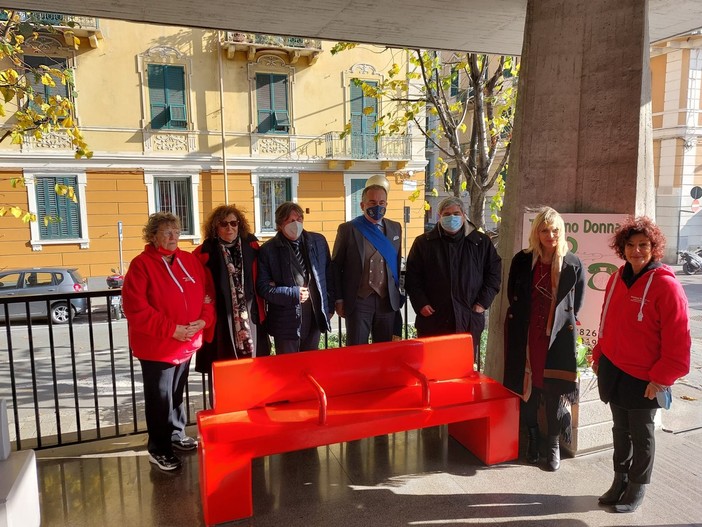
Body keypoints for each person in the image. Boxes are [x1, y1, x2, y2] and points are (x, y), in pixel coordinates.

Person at [592, 216, 690, 513]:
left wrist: (661, 378)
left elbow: (679, 340)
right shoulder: (617, 277)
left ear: (654, 248)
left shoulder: (667, 287)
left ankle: (637, 487)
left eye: (643, 245)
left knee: (642, 433)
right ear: (622, 248)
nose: (637, 250)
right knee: (620, 430)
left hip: (645, 377)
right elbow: (607, 320)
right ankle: (619, 480)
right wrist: (599, 354)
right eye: (631, 245)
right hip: (614, 368)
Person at [122, 212, 215, 472]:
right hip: (157, 347)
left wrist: (203, 322)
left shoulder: (189, 260)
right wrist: (172, 329)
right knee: (159, 399)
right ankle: (159, 449)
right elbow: (135, 308)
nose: (173, 236)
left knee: (175, 394)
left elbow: (207, 296)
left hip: (185, 343)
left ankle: (175, 434)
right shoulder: (141, 265)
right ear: (153, 237)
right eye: (166, 232)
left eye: (176, 231)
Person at [503, 206, 585, 471]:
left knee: (553, 391)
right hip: (527, 336)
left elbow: (577, 303)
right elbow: (512, 295)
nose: (550, 235)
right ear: (536, 232)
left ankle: (552, 445)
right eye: (544, 230)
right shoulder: (523, 260)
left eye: (555, 230)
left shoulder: (573, 262)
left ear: (562, 232)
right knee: (527, 390)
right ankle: (533, 440)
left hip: (556, 339)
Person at [405, 196, 501, 364]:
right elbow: (413, 277)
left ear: (464, 215)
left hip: (469, 317)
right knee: (433, 366)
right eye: (447, 214)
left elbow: (493, 274)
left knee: (463, 368)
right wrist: (420, 303)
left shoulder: (480, 242)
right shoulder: (424, 243)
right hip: (434, 318)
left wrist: (482, 303)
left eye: (456, 213)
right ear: (439, 216)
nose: (452, 217)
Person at [194, 205, 270, 397]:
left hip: (250, 318)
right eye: (224, 224)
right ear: (215, 227)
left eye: (234, 223)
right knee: (222, 369)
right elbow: (195, 282)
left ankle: (251, 404)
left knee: (253, 366)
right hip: (220, 321)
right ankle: (225, 408)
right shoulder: (204, 251)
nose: (230, 228)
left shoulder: (252, 247)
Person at [257, 202, 334, 353]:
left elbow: (328, 276)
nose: (296, 224)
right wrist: (292, 293)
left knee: (309, 364)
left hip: (315, 316)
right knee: (287, 367)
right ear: (279, 224)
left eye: (299, 219)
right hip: (286, 321)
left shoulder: (318, 241)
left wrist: (329, 307)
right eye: (291, 221)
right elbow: (263, 287)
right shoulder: (268, 250)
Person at [331, 182, 402, 346]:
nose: (377, 206)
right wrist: (339, 299)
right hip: (358, 301)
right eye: (372, 202)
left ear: (386, 204)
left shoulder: (395, 228)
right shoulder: (348, 229)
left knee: (384, 352)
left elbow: (396, 262)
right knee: (356, 352)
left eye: (381, 203)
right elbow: (336, 266)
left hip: (387, 301)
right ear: (363, 205)